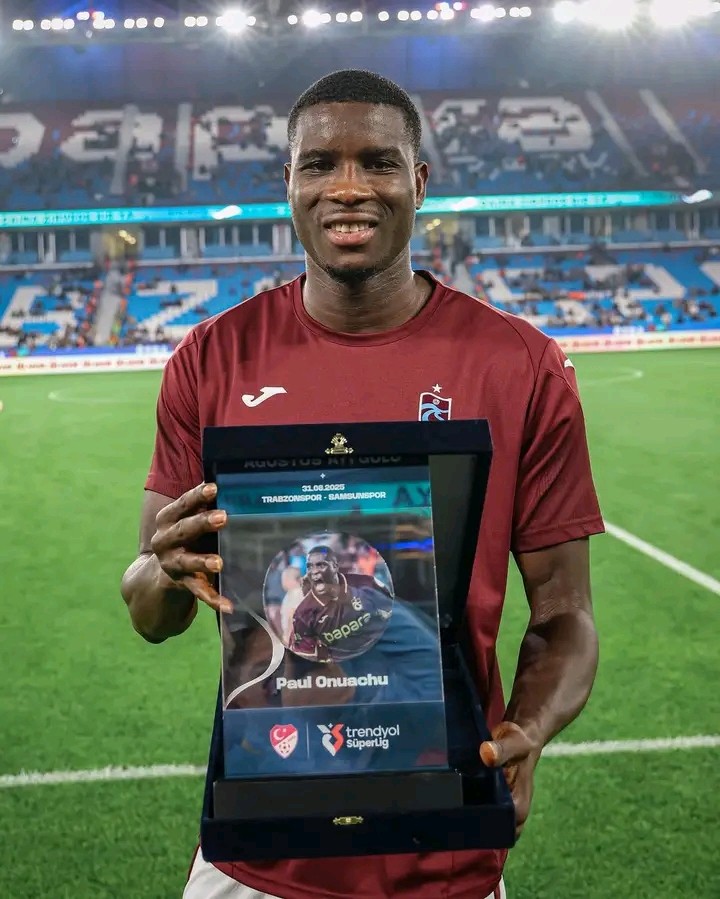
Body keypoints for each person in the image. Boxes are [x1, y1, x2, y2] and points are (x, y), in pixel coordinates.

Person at [121, 68, 604, 899]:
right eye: (320, 165)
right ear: (289, 182)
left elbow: (565, 612)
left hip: (443, 852)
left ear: (419, 181)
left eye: (378, 162)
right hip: (258, 849)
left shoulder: (520, 365)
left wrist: (529, 726)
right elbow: (149, 610)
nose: (348, 188)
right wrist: (164, 568)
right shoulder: (211, 359)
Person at [289, 545, 393, 662]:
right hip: (345, 667)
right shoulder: (303, 614)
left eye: (321, 565)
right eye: (309, 567)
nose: (314, 571)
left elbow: (393, 612)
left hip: (381, 652)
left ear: (335, 566)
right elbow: (303, 656)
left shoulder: (366, 584)